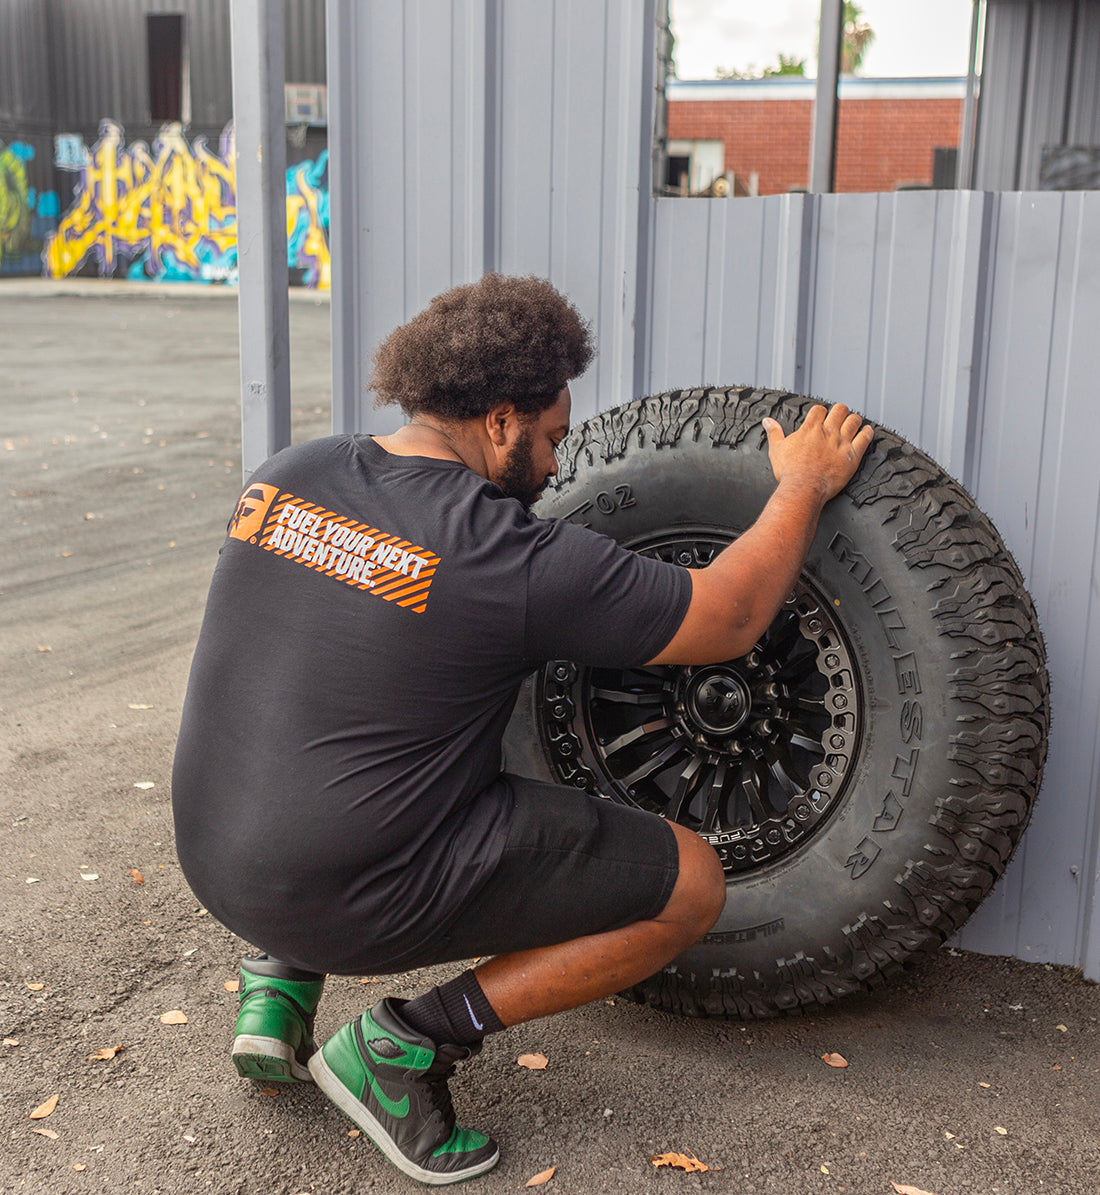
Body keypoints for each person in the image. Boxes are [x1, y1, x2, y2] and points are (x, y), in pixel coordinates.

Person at [172, 273, 873, 1185]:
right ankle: (406, 1047)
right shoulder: (504, 555)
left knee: (346, 714)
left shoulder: (288, 473)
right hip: (344, 888)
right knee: (690, 885)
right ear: (499, 421)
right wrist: (803, 486)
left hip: (216, 858)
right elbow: (729, 616)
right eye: (548, 438)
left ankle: (275, 985)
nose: (553, 468)